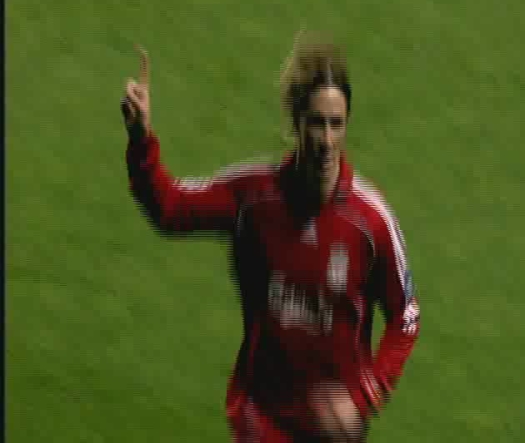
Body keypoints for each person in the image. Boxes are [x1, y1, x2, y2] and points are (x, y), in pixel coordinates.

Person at [121, 33, 420, 443]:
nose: (326, 140)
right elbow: (169, 208)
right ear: (296, 121)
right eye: (316, 122)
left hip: (335, 430)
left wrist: (365, 394)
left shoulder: (370, 221)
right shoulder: (252, 198)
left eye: (336, 124)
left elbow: (405, 316)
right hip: (262, 418)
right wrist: (141, 140)